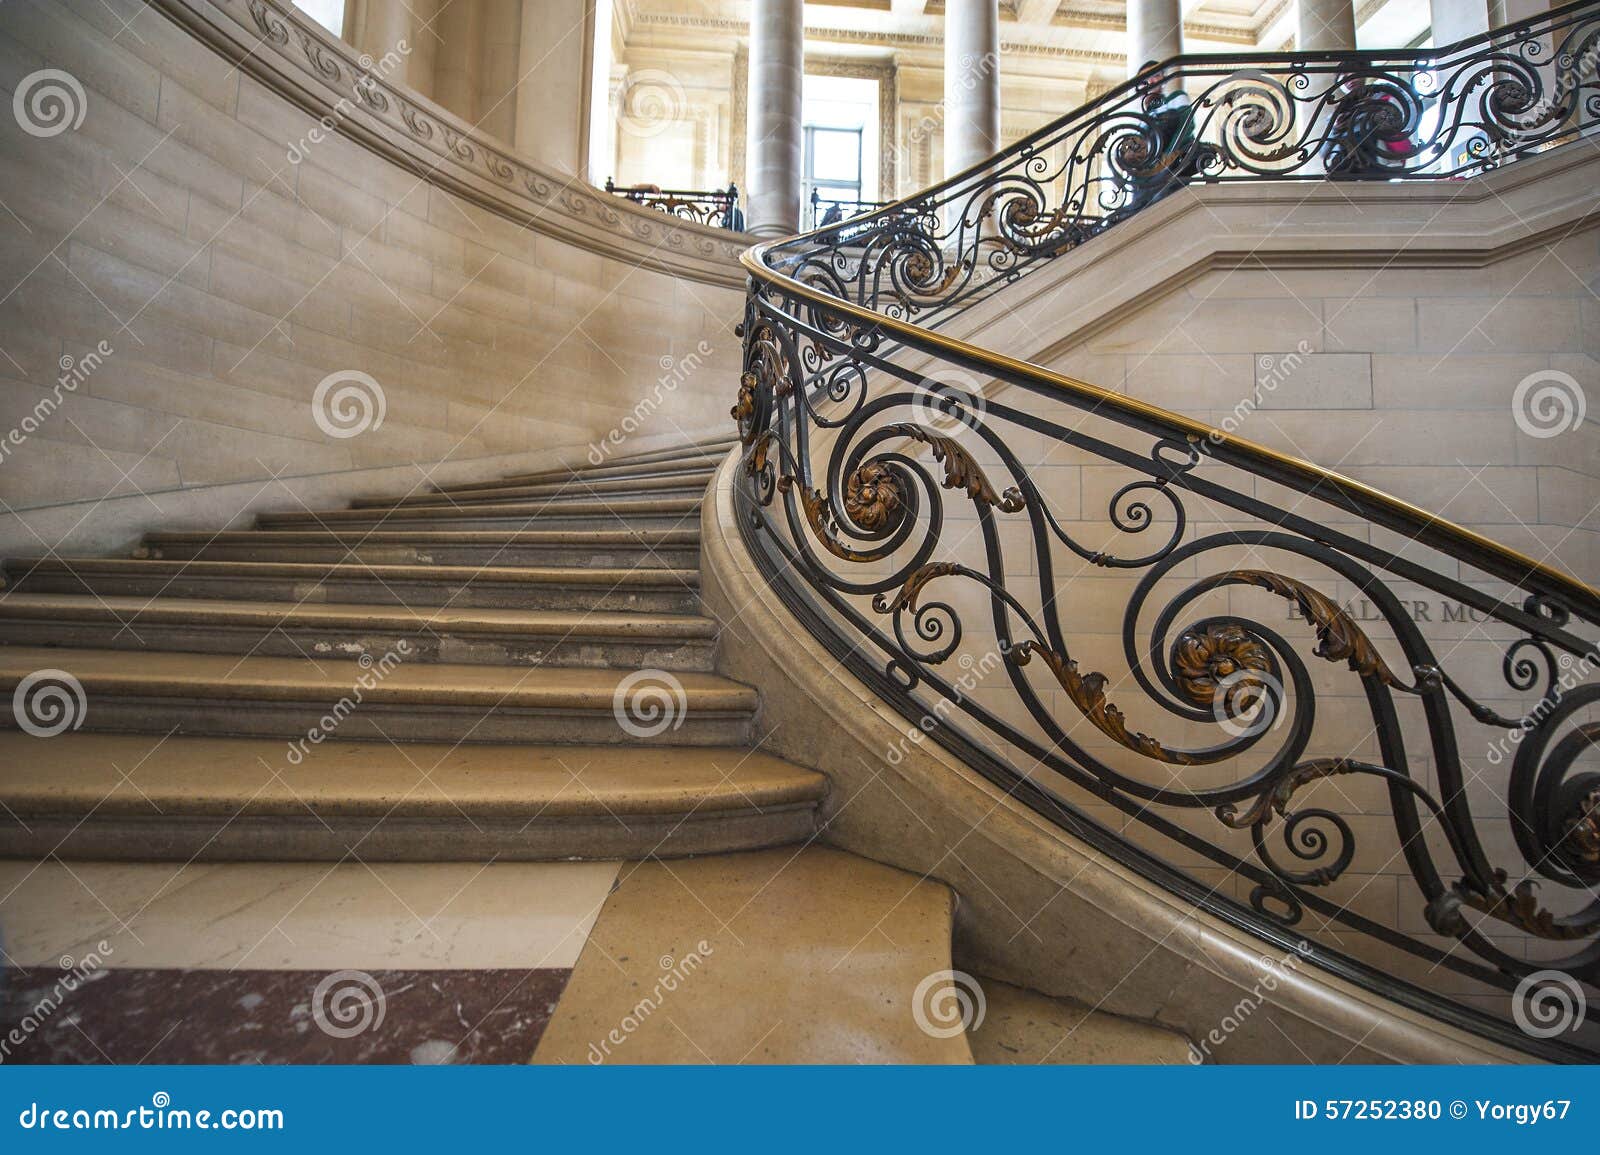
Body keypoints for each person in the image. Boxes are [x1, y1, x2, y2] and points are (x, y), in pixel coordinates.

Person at [1115, 63, 1202, 220]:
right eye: (1145, 79)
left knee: (1160, 200)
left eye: (1155, 75)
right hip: (1148, 170)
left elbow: (1186, 126)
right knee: (1138, 205)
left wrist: (1168, 157)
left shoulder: (1176, 97)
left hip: (1172, 160)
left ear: (1163, 78)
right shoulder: (1142, 118)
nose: (1151, 81)